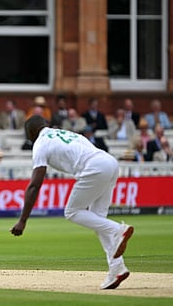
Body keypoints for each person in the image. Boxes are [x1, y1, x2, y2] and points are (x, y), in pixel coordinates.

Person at [10, 115, 134, 290]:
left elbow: (34, 185)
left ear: (31, 133)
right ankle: (117, 269)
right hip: (110, 163)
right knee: (98, 221)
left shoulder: (40, 144)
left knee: (72, 212)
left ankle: (118, 229)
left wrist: (23, 220)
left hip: (94, 168)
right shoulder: (65, 133)